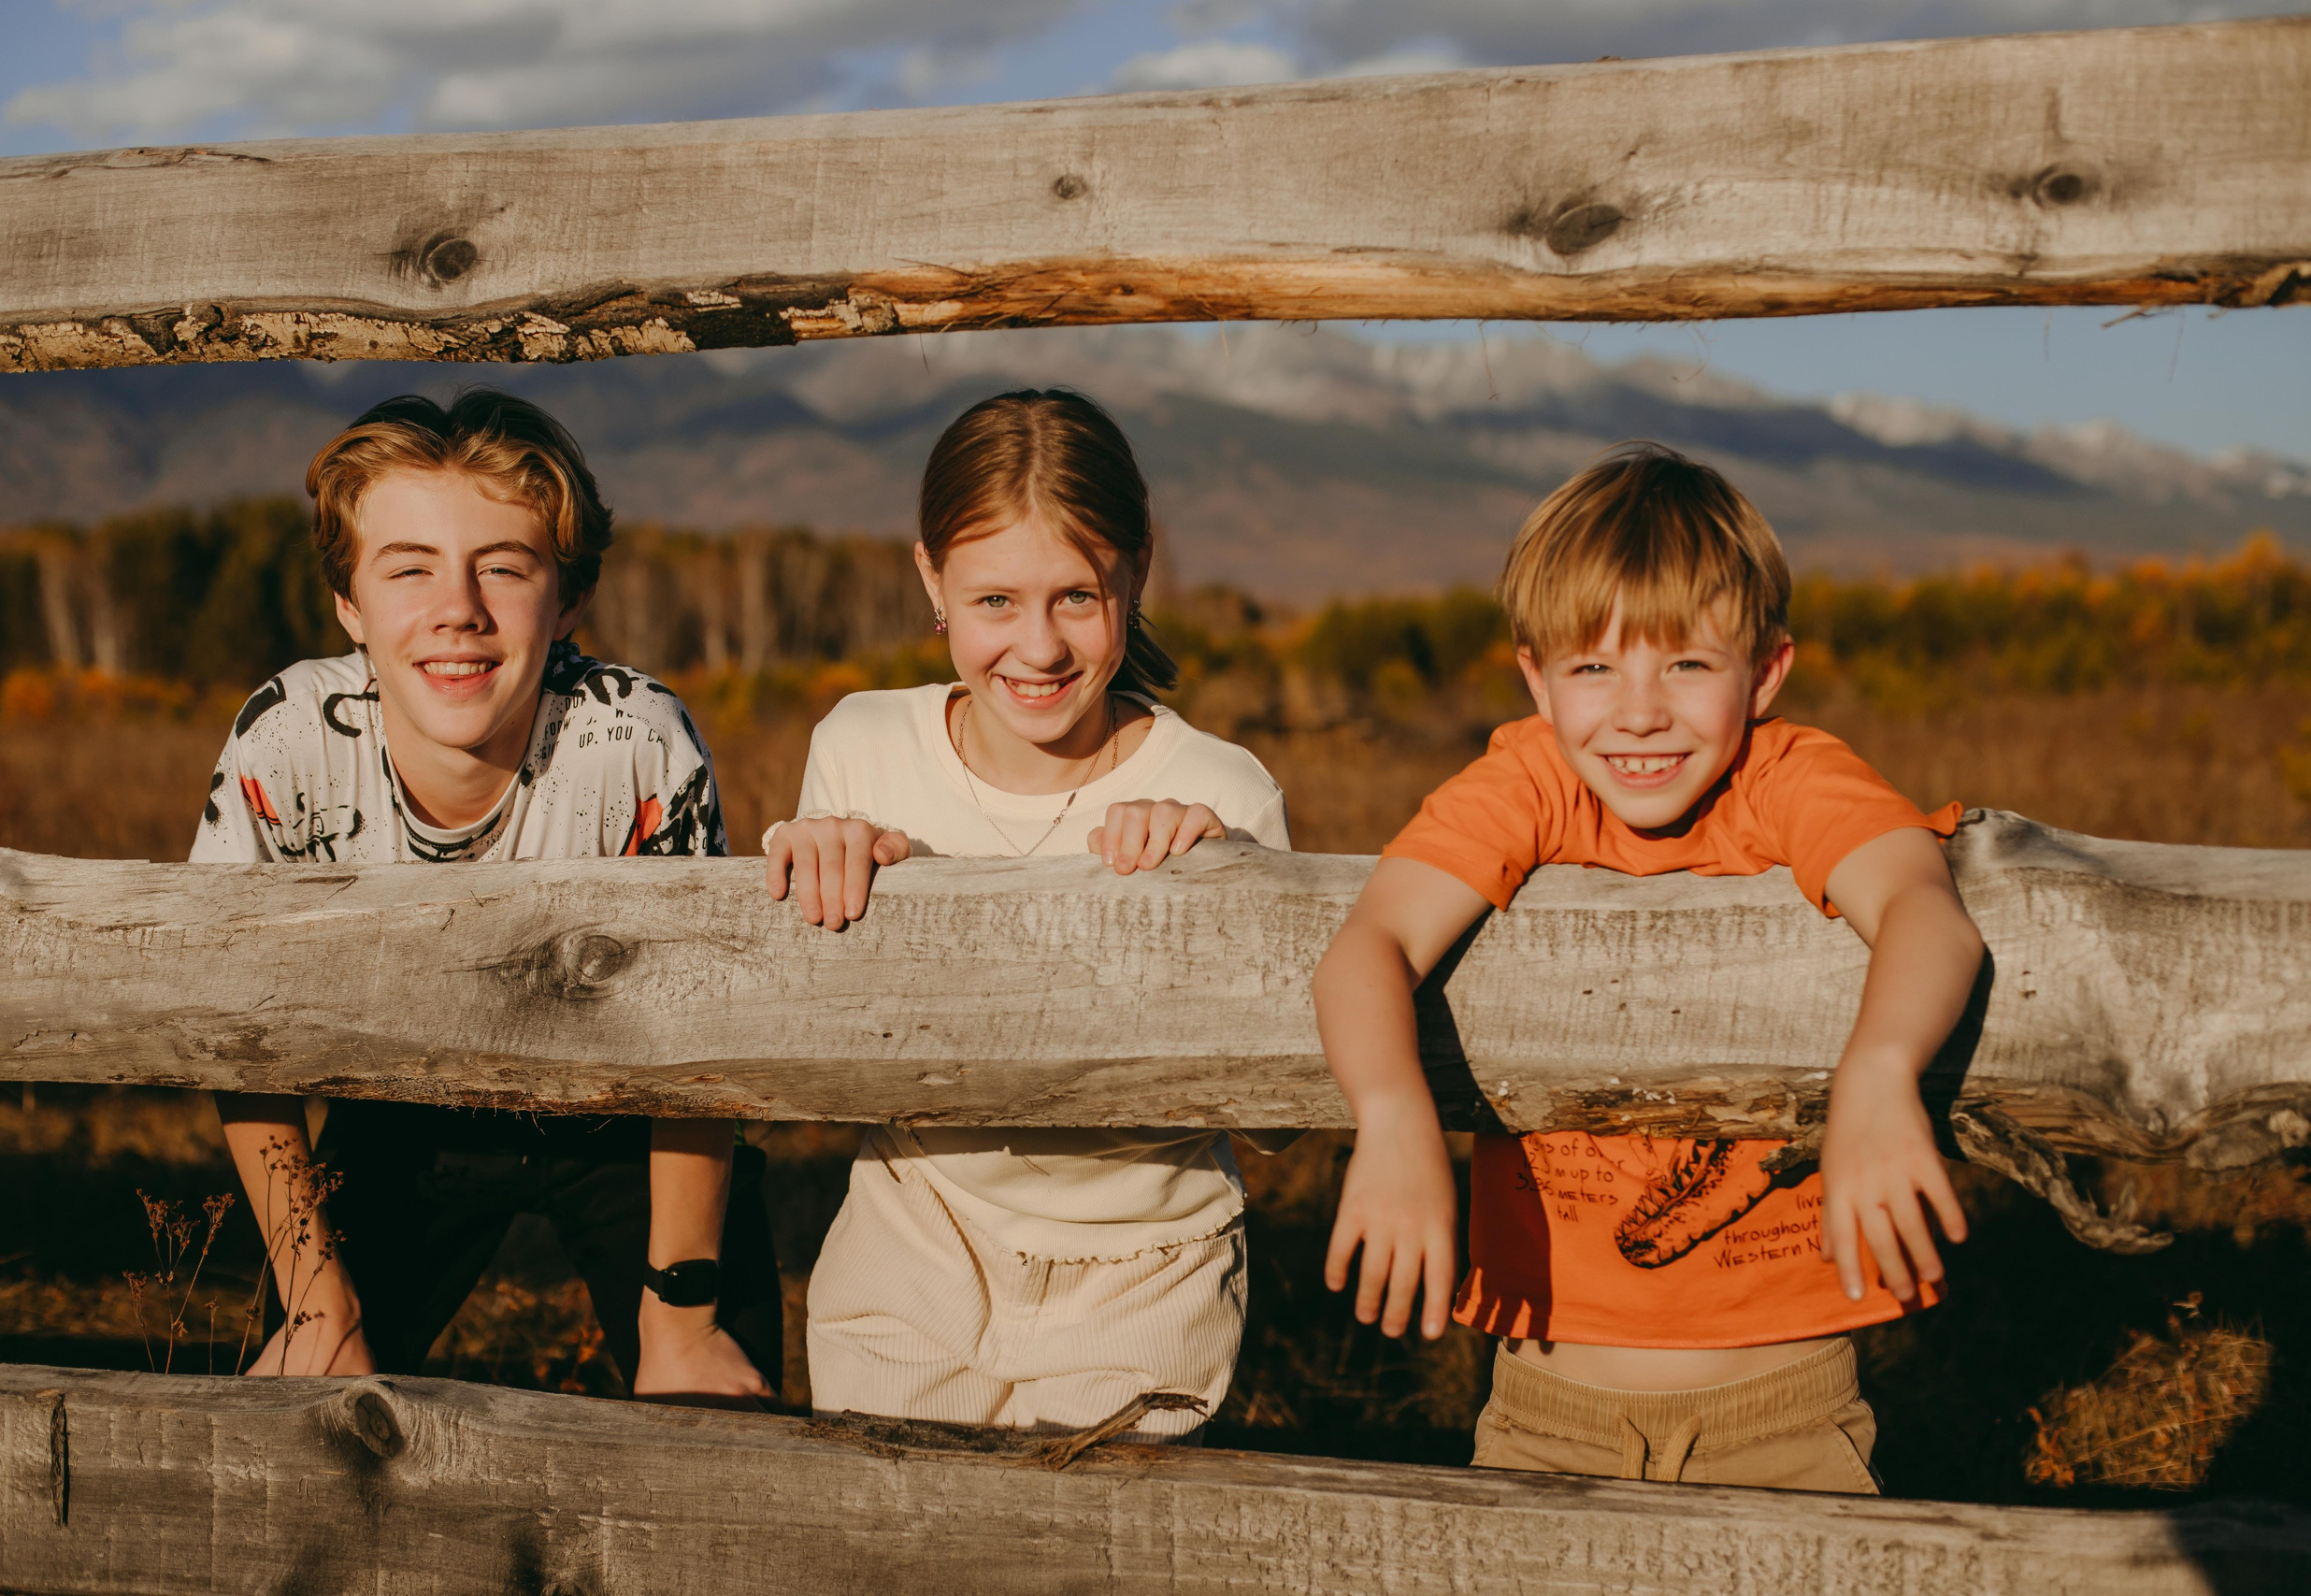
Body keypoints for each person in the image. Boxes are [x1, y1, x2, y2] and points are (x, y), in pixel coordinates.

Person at [1315, 443, 1982, 1492]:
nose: (1638, 712)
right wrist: (1394, 1121)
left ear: (1763, 672)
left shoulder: (1786, 776)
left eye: (1685, 664)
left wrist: (1880, 1070)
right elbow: (1370, 944)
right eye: (1593, 667)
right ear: (1536, 680)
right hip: (1545, 1406)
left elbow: (1923, 908)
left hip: (1786, 1410)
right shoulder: (1530, 779)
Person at [194, 388, 782, 1405]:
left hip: (623, 1117)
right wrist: (314, 1303)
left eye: (503, 568)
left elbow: (698, 1042)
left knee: (718, 1416)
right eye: (408, 567)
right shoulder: (288, 741)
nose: (456, 608)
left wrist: (681, 1317)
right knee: (303, 1419)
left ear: (568, 600)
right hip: (399, 1109)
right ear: (349, 604)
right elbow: (230, 1026)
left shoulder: (633, 741)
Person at [766, 388, 1290, 1441]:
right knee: (886, 1543)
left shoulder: (1220, 789)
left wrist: (1217, 893)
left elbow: (1279, 1113)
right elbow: (816, 1039)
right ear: (931, 580)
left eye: (1076, 599)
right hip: (914, 1238)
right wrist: (817, 871)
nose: (1039, 648)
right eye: (995, 602)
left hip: (1149, 1270)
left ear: (1135, 575)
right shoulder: (863, 747)